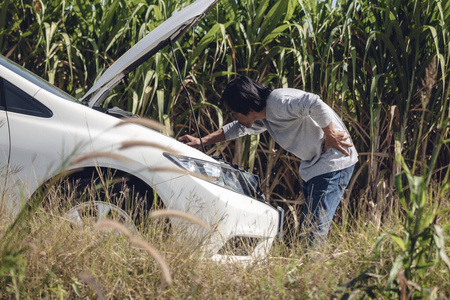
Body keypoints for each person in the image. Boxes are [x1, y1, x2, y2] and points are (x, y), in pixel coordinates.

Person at [178, 76, 358, 249]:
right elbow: (237, 128)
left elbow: (313, 102)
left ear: (245, 107)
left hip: (333, 162)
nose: (234, 116)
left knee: (314, 229)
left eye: (234, 112)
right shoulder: (265, 115)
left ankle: (313, 276)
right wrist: (201, 141)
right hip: (315, 167)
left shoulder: (277, 102)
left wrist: (330, 134)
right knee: (310, 227)